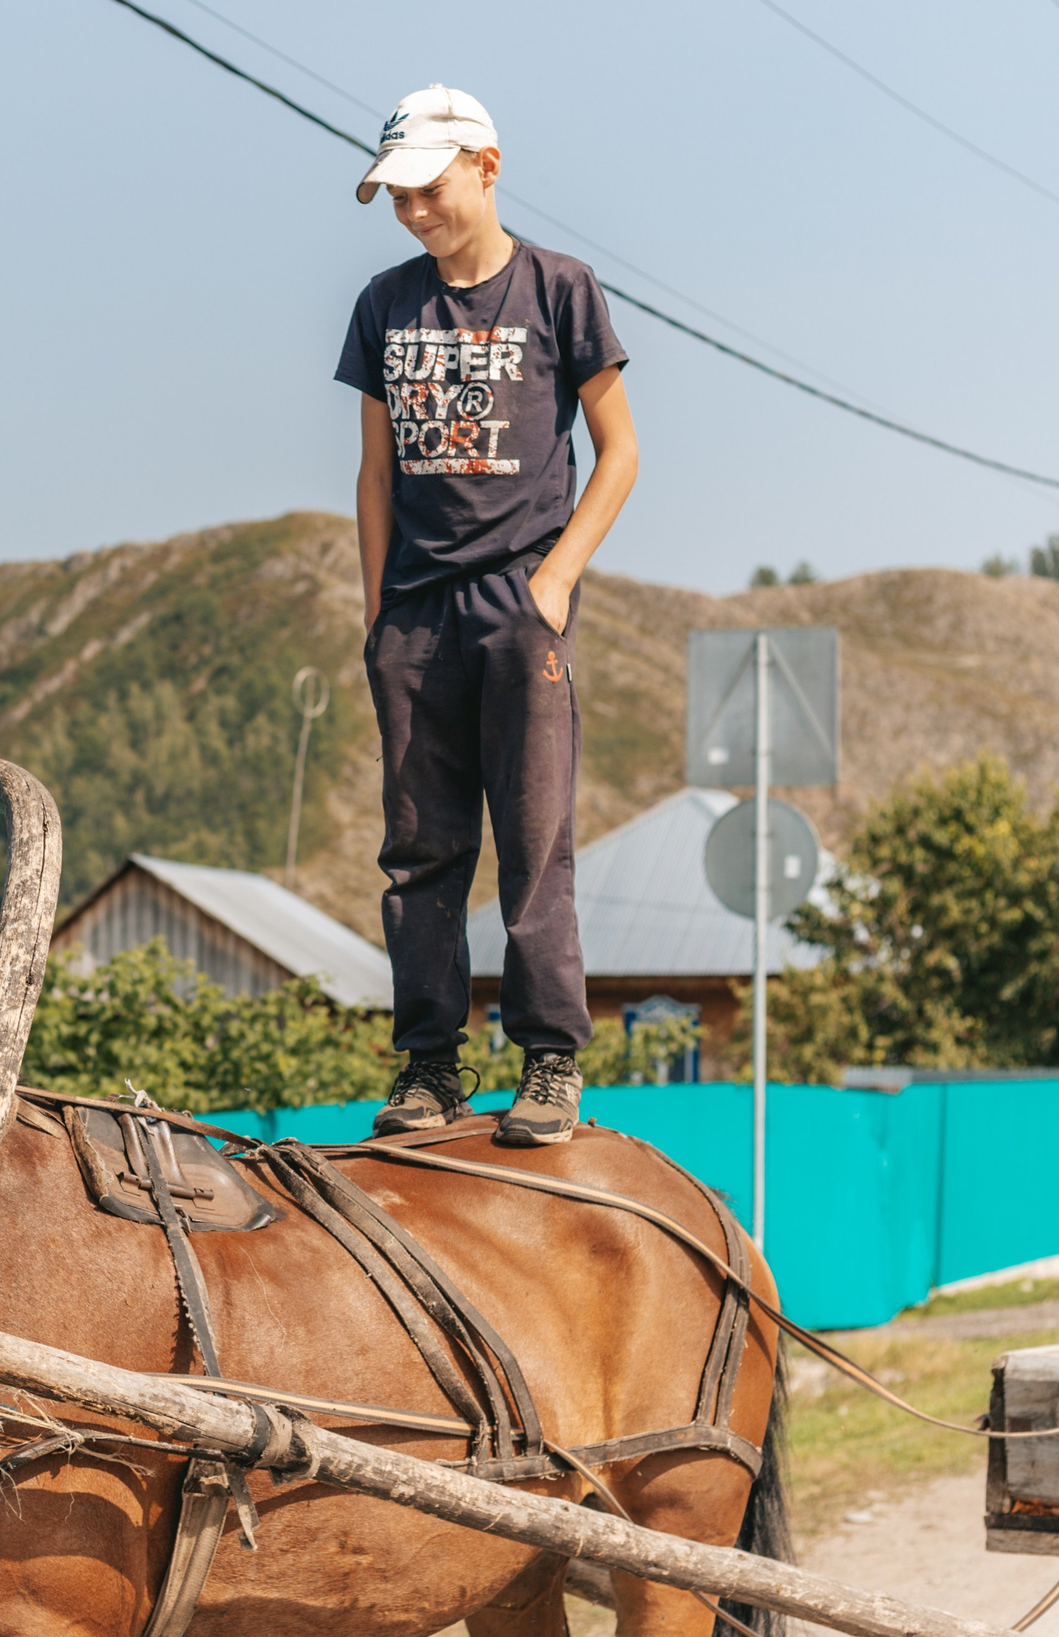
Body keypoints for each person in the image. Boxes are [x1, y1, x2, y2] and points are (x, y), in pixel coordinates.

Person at [335, 84, 638, 1146]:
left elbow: (622, 452)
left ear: (486, 166)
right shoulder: (384, 304)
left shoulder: (560, 289)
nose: (414, 210)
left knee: (533, 838)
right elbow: (374, 476)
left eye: (428, 187)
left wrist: (552, 585)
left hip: (520, 603)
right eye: (396, 196)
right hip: (415, 615)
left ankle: (548, 1063)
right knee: (418, 849)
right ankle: (427, 1068)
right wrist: (380, 614)